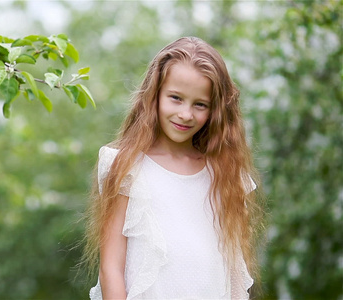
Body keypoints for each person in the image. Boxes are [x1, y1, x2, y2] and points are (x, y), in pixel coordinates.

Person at [81, 37, 263, 299]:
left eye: (200, 104)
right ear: (154, 96)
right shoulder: (125, 167)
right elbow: (111, 268)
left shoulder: (226, 175)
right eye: (176, 98)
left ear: (215, 111)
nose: (186, 114)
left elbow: (232, 274)